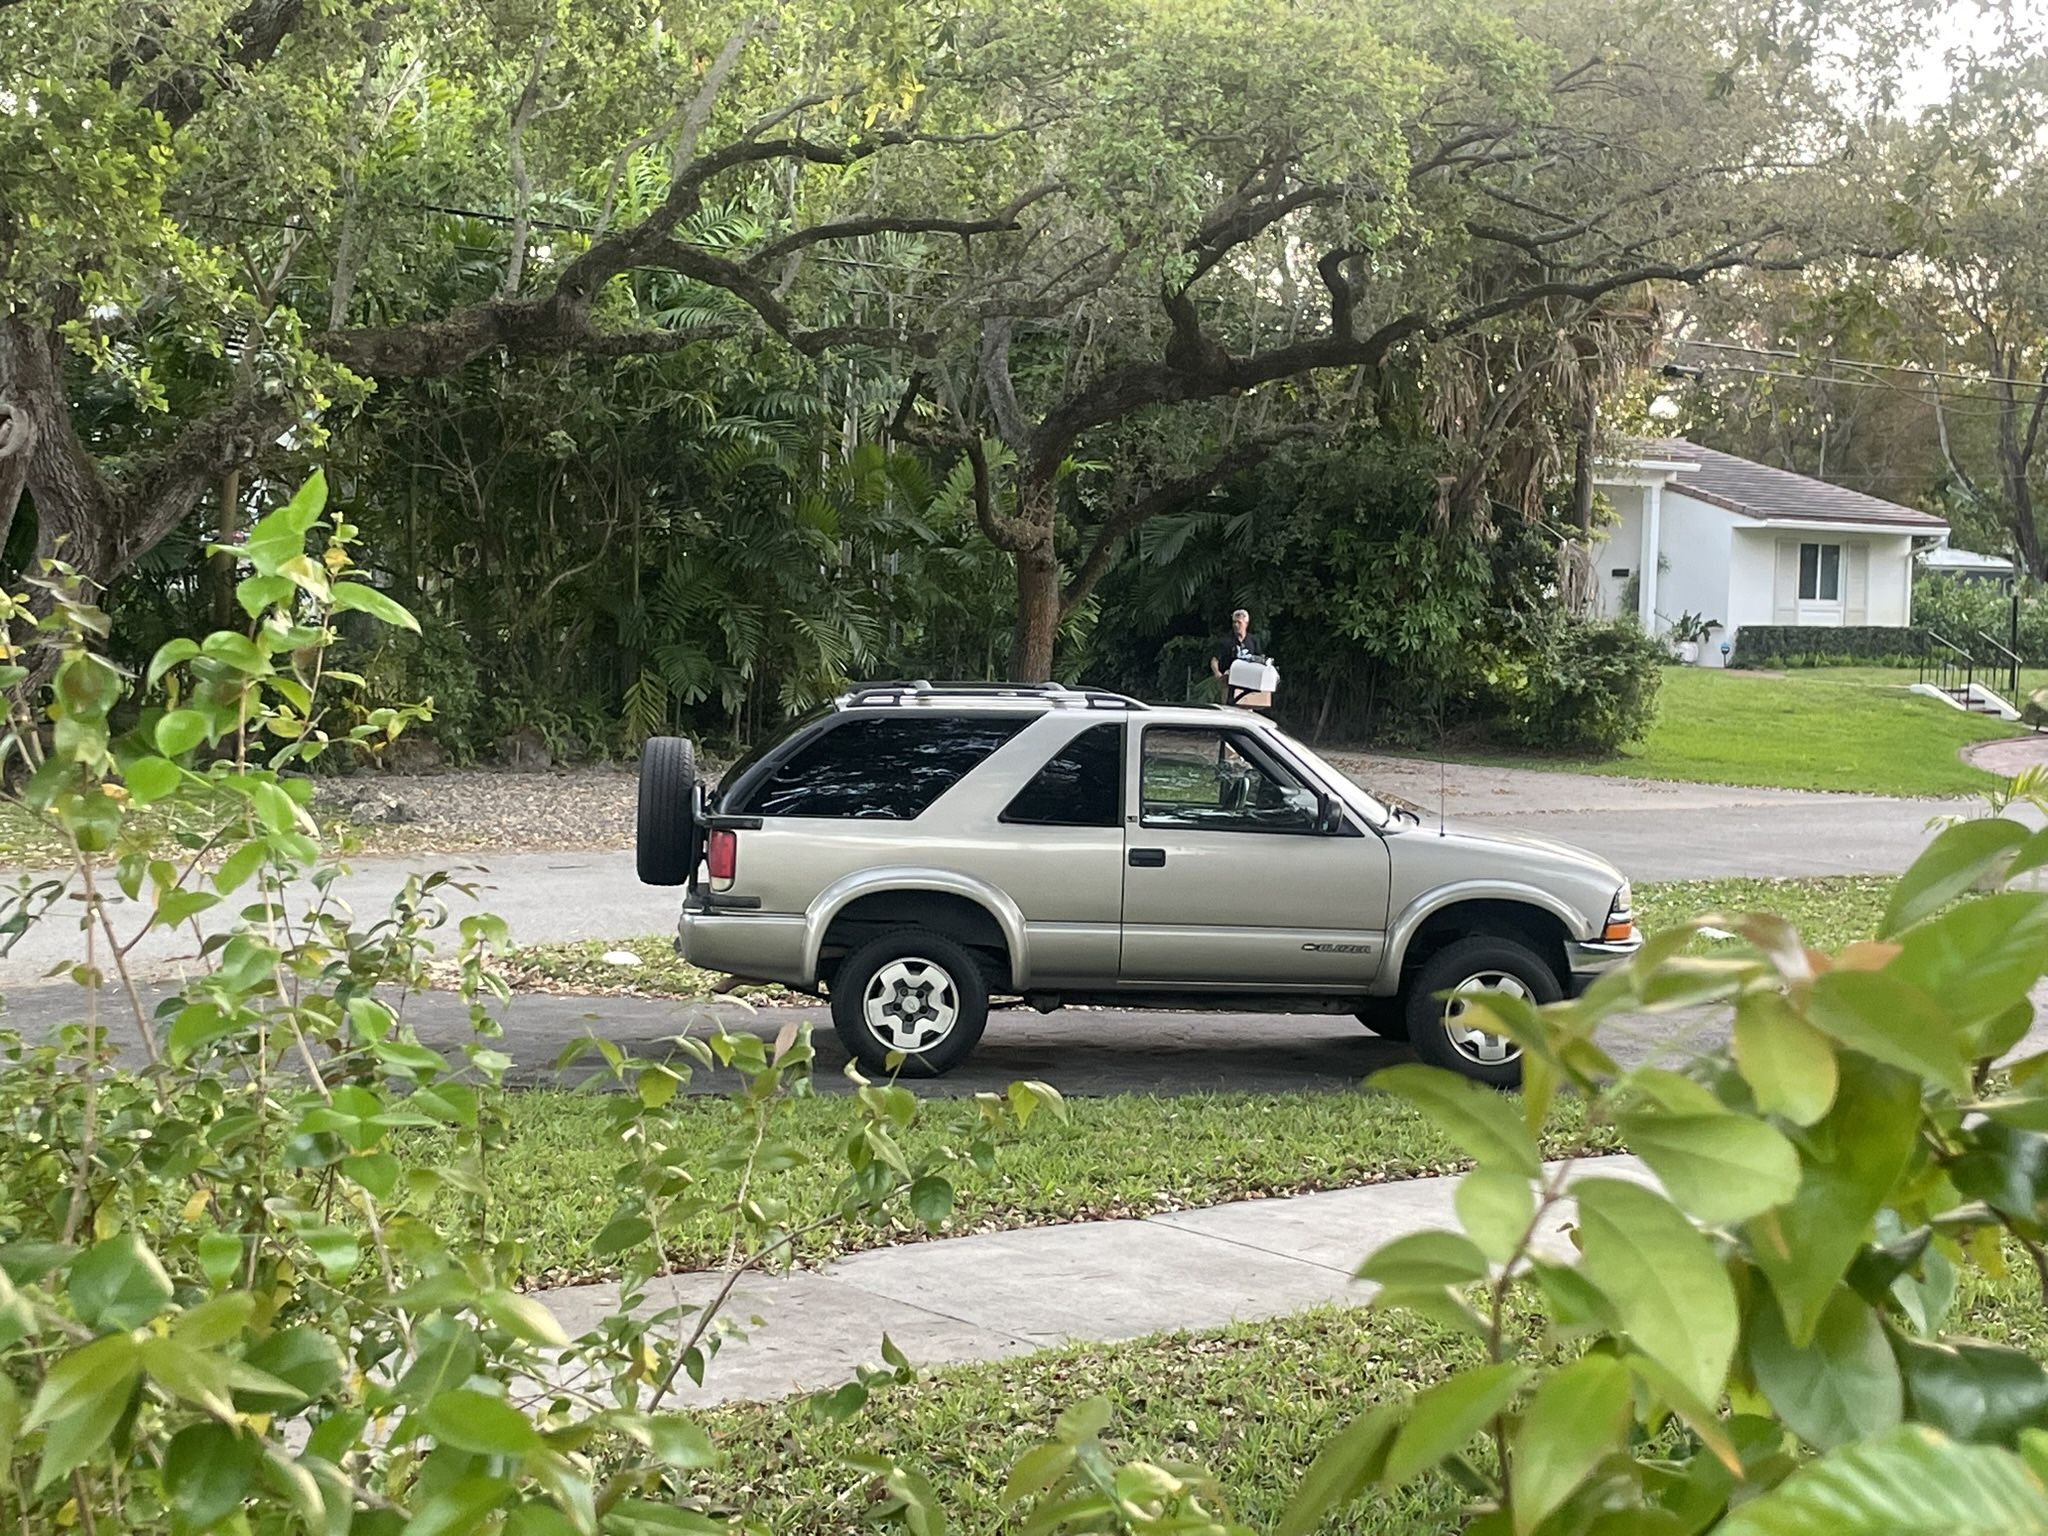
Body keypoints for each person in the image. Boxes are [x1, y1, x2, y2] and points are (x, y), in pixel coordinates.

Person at [1210, 608, 1260, 702]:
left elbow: (1259, 659)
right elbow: (1214, 660)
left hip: (1247, 683)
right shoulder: (1226, 641)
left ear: (1246, 623)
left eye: (1239, 622)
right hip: (1229, 682)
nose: (1236, 625)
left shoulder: (1253, 641)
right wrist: (1218, 674)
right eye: (1234, 622)